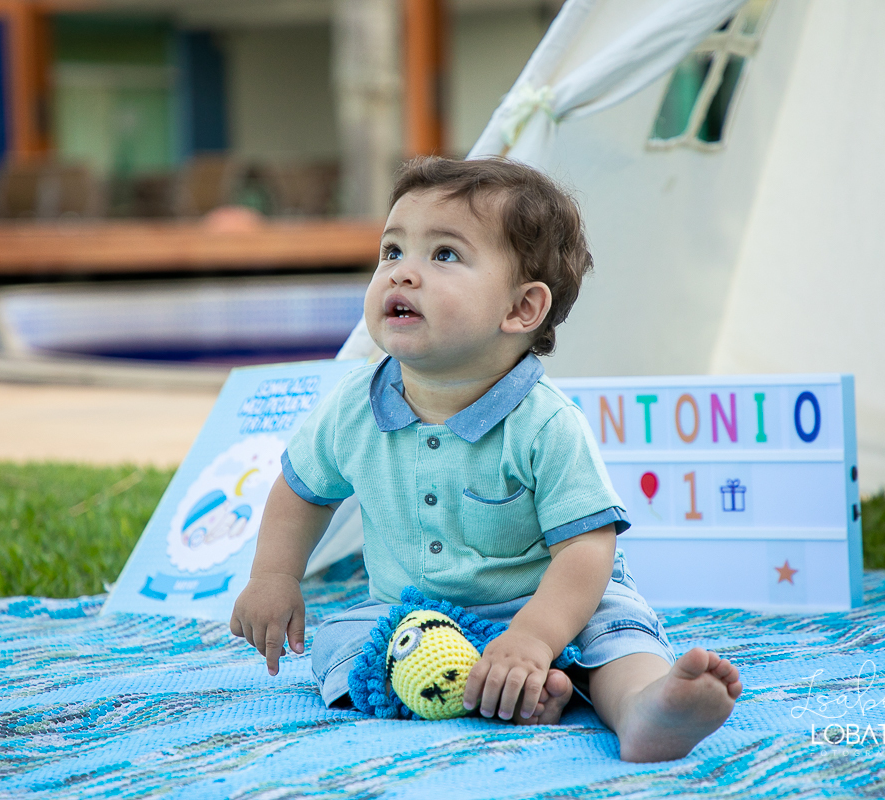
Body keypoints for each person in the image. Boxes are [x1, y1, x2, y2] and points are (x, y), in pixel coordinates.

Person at [230, 156, 742, 762]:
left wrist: (534, 635)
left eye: (443, 255)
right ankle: (509, 695)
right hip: (413, 615)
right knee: (345, 644)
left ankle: (643, 710)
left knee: (615, 637)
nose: (403, 275)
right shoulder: (354, 406)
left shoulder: (544, 422)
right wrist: (274, 575)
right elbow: (301, 490)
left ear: (522, 309)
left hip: (550, 603)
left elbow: (586, 550)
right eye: (392, 252)